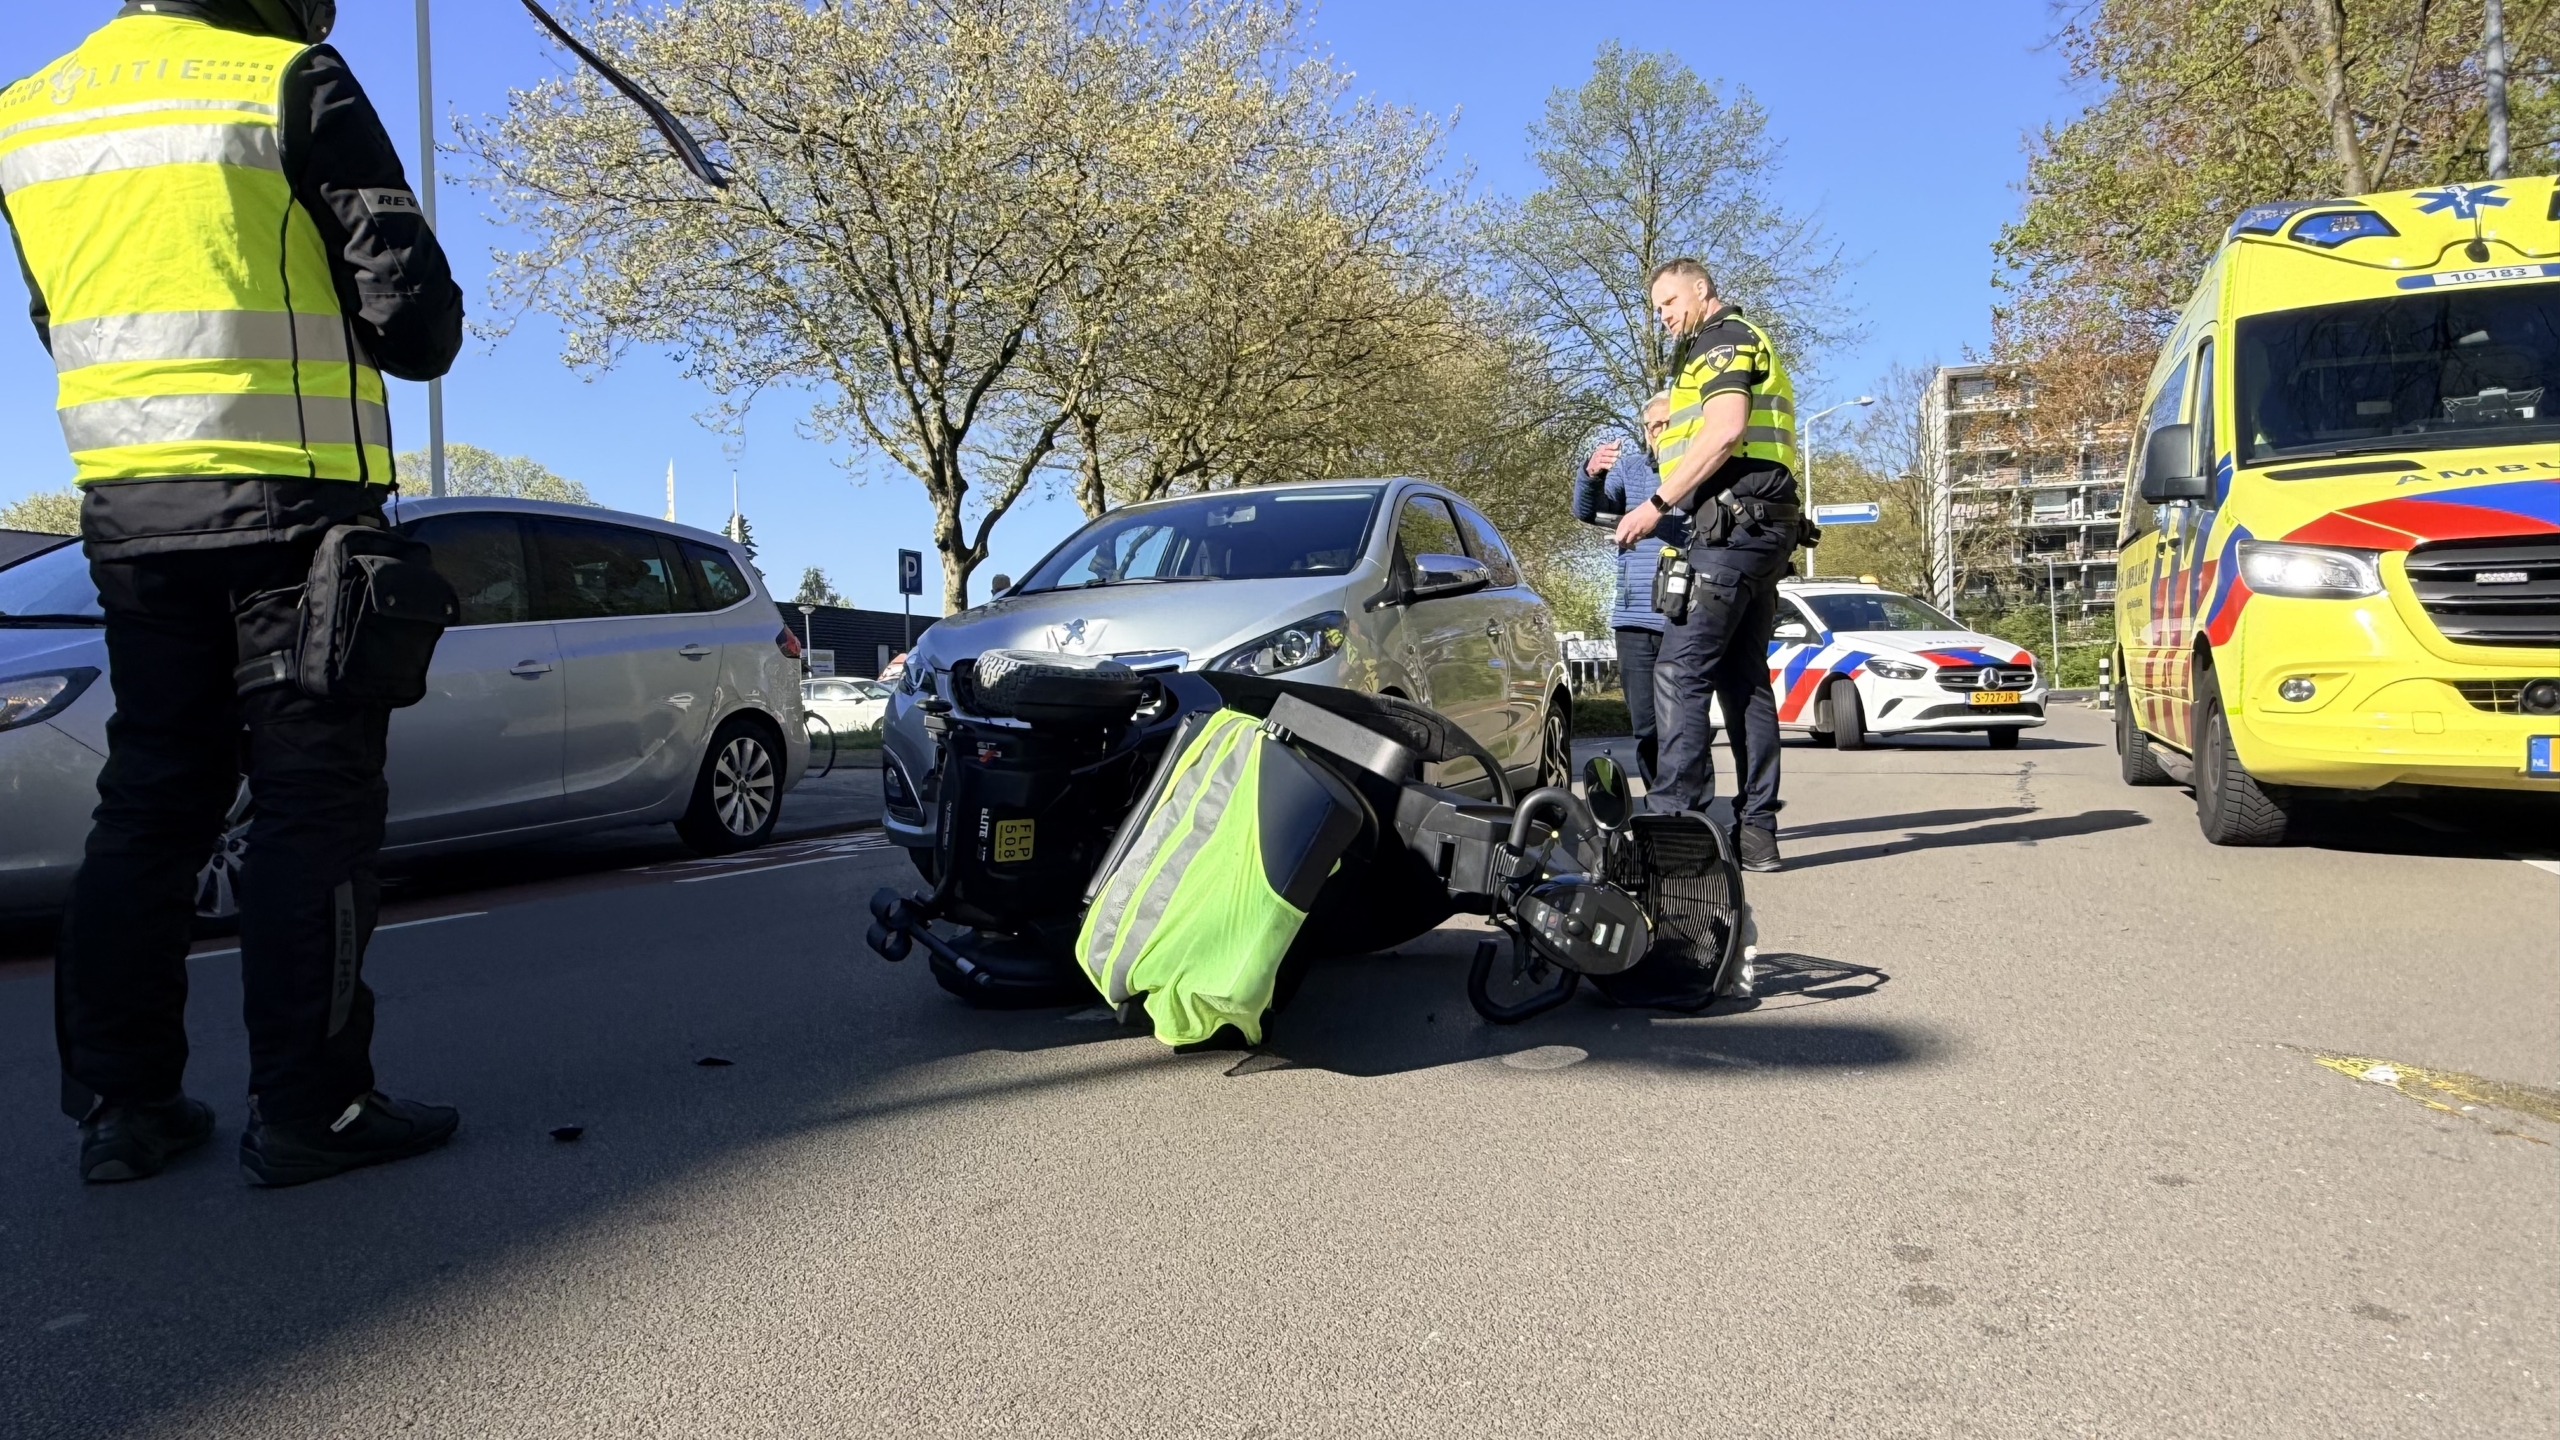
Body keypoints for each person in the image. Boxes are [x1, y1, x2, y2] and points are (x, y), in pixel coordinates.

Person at [2, 0, 466, 1184]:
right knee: (314, 805)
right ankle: (316, 1107)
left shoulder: (27, 115)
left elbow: (61, 319)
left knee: (152, 800)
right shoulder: (291, 81)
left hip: (129, 511)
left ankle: (122, 1106)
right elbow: (415, 328)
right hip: (294, 507)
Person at [1613, 259, 1803, 872]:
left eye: (1668, 302)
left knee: (1679, 668)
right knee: (1743, 681)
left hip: (1733, 527)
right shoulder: (1714, 352)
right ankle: (1757, 832)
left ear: (1700, 290)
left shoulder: (1724, 339)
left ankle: (1677, 824)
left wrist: (1655, 503)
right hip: (1754, 528)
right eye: (1658, 307)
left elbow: (1725, 431)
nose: (1663, 315)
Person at [1570, 393, 1682, 781]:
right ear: (1645, 432)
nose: (1661, 433)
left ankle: (1693, 813)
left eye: (1670, 423)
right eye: (1655, 426)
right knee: (1647, 726)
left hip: (1685, 619)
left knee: (1685, 724)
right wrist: (1591, 473)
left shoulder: (1701, 469)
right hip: (1634, 620)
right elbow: (1587, 510)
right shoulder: (1630, 469)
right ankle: (1659, 808)